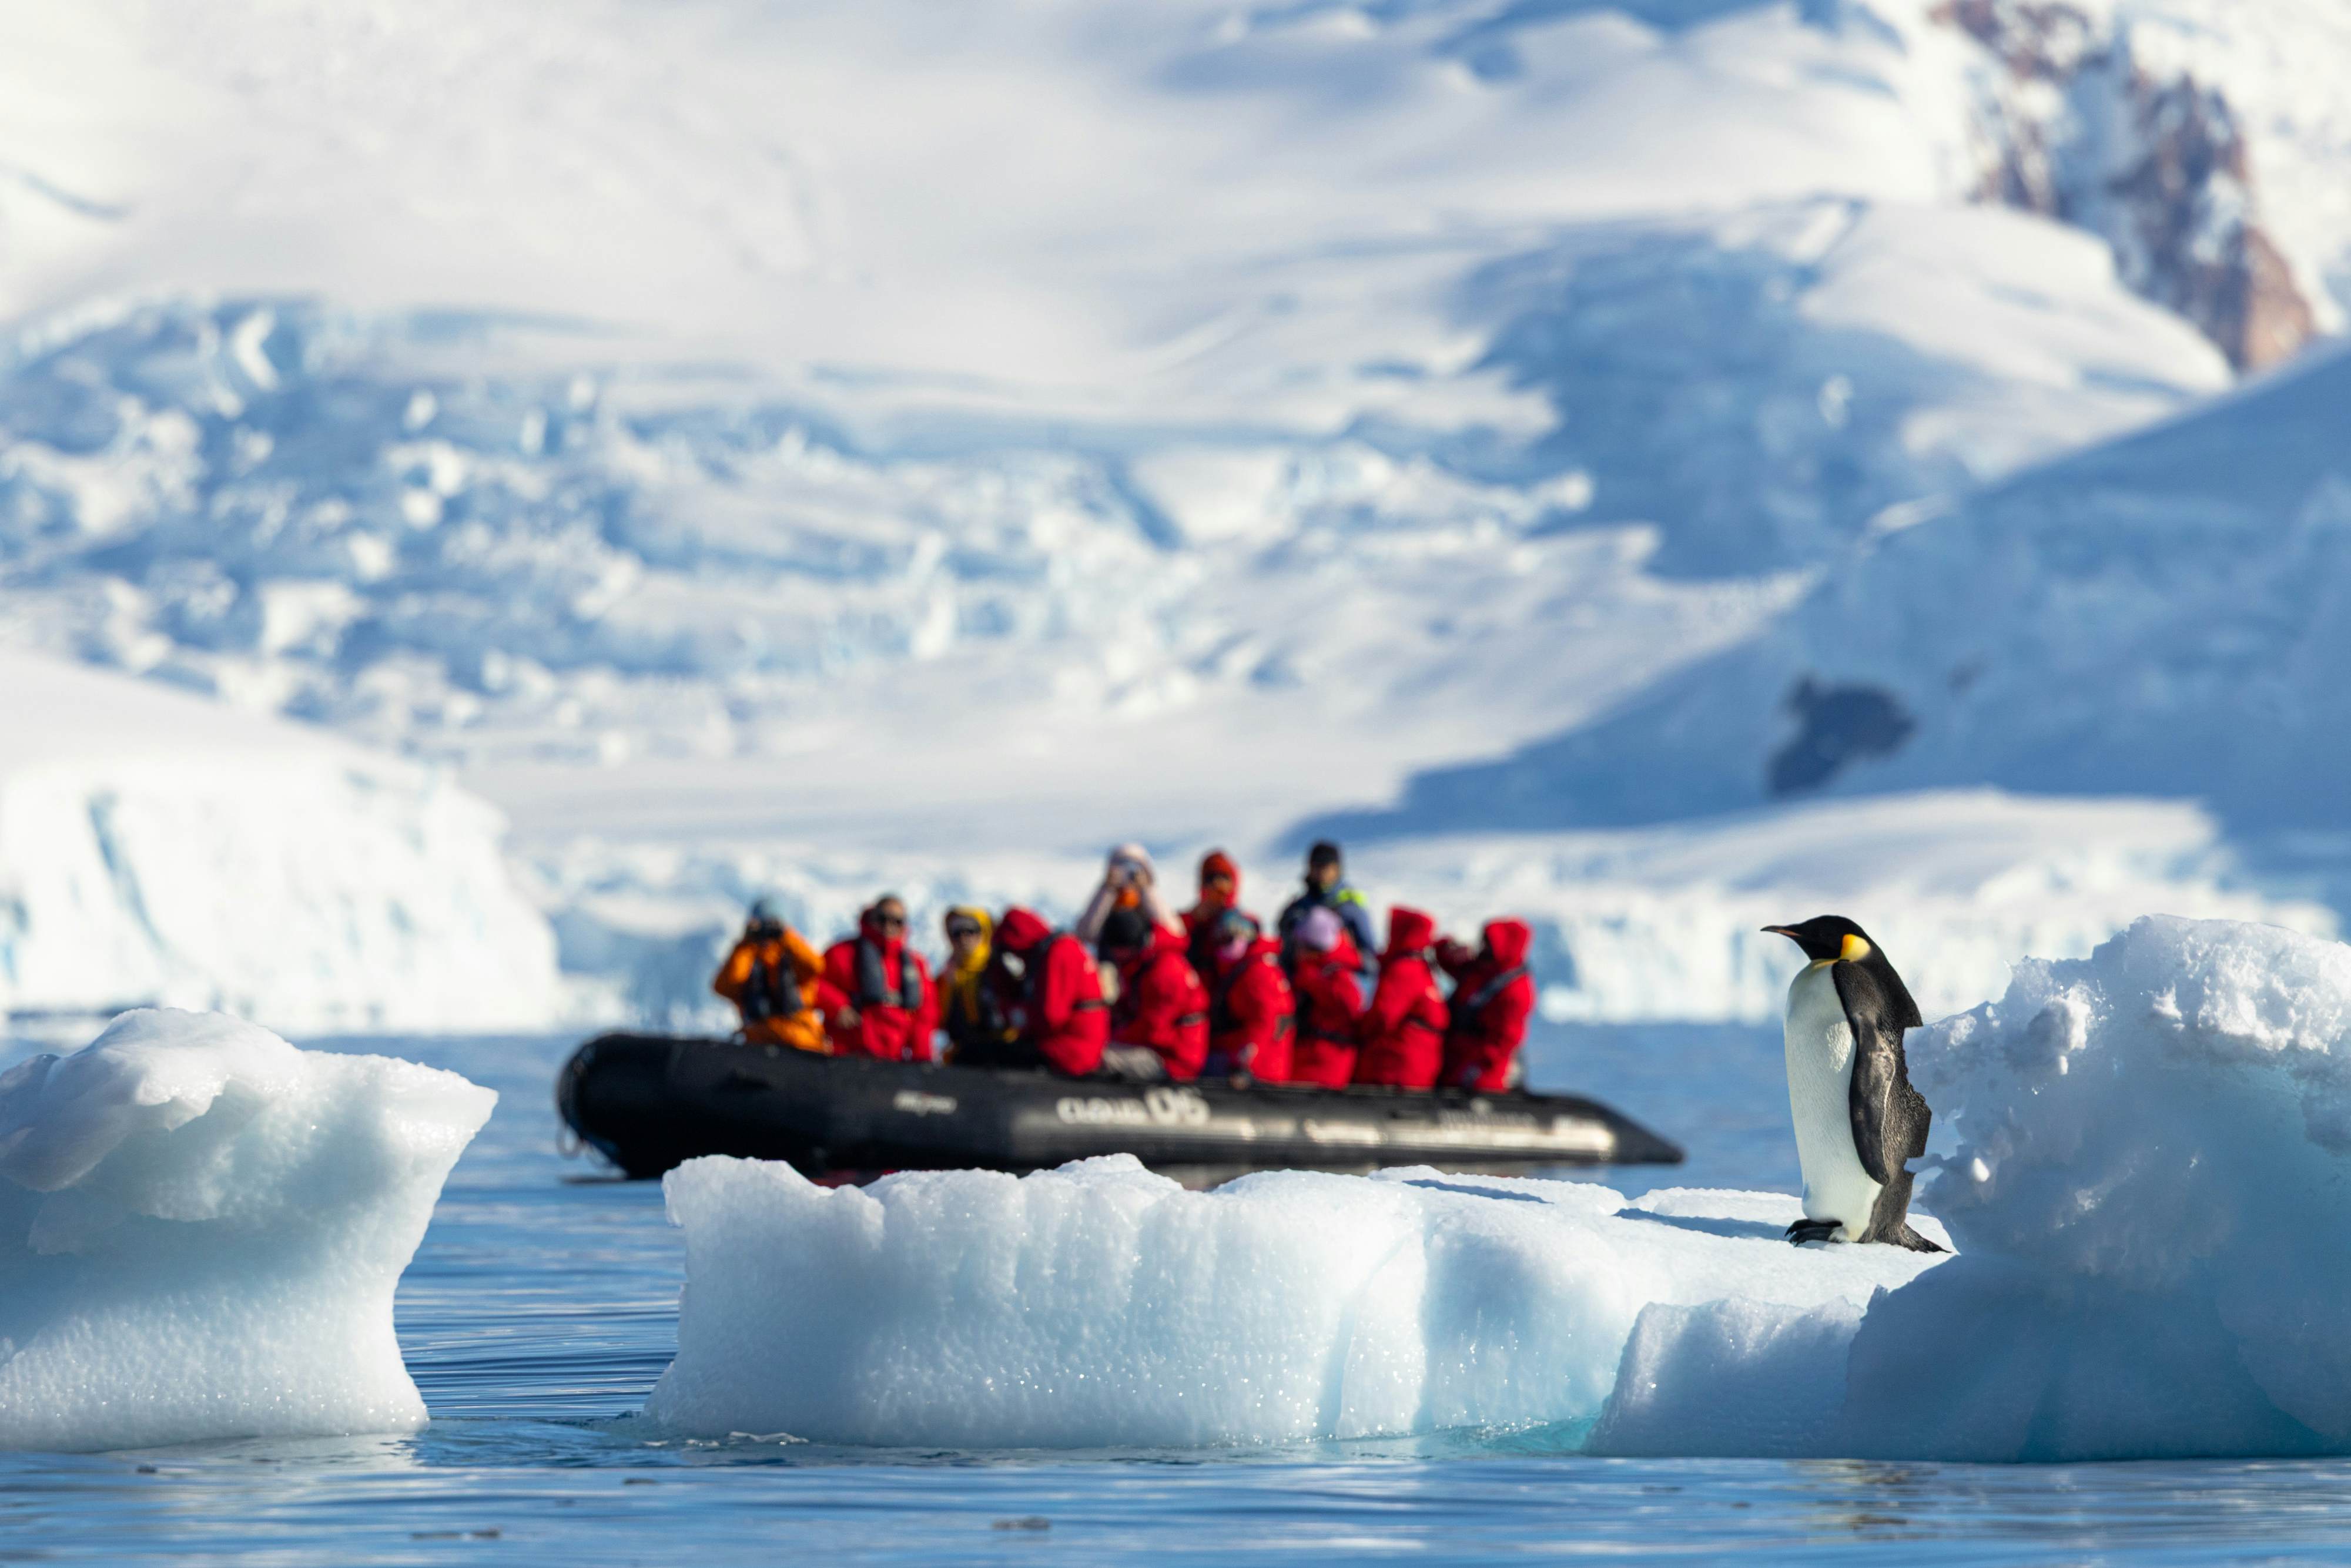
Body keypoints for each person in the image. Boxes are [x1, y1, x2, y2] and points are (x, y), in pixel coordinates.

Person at [991, 906, 1111, 1077]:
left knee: (985, 1054)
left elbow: (1052, 1016)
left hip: (1071, 1051)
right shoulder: (1056, 949)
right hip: (1072, 1046)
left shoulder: (1058, 952)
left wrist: (1013, 1011)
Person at [817, 895, 937, 1062]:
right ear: (870, 918)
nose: (888, 926)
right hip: (846, 1056)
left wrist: (922, 1059)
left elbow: (926, 1015)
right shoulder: (842, 953)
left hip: (894, 1060)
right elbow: (812, 983)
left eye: (897, 921)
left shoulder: (916, 965)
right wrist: (837, 1006)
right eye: (882, 919)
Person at [1097, 907, 1208, 1081]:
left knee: (1097, 1057)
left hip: (1173, 1059)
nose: (1114, 954)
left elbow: (1152, 1028)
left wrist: (1111, 1037)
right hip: (1156, 1048)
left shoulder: (1165, 971)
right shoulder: (1145, 963)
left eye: (1119, 949)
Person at [710, 897, 826, 1053]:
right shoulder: (749, 957)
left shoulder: (793, 957)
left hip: (802, 1040)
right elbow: (727, 984)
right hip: (760, 1042)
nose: (766, 931)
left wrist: (785, 935)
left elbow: (816, 966)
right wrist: (746, 944)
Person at [1353, 906, 1448, 1089]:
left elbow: (1383, 1015)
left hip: (1394, 1069)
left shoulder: (1403, 970)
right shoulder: (1422, 968)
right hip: (1418, 1066)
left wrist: (1358, 1031)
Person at [1437, 919, 1537, 1093]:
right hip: (1455, 1058)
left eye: (1489, 944)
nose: (1483, 948)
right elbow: (1448, 961)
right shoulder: (1479, 971)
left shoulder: (1516, 990)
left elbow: (1506, 1039)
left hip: (1483, 1071)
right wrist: (1447, 947)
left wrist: (1477, 1068)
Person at [1203, 907, 1295, 1083]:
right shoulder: (1244, 969)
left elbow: (1266, 1020)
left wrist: (1247, 1063)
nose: (1224, 942)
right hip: (1243, 1056)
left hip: (1257, 1069)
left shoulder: (1258, 972)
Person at [1288, 906, 1367, 1088]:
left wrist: (1313, 984)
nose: (1296, 951)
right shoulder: (1315, 972)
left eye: (1300, 944)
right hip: (1309, 1056)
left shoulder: (1336, 976)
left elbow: (1352, 1010)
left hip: (1325, 1062)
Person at [1276, 840, 1377, 974]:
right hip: (1302, 982)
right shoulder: (1297, 907)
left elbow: (1369, 952)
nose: (1319, 872)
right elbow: (1283, 946)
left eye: (1324, 867)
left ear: (1337, 869)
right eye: (1315, 866)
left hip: (1339, 981)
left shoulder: (1350, 906)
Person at [935, 906, 1015, 1063]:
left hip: (1005, 1057)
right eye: (956, 933)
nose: (964, 938)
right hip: (962, 1060)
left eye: (971, 930)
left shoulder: (1003, 968)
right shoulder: (946, 978)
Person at [1073, 843, 1183, 944]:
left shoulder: (1148, 903)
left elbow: (1174, 932)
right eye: (1121, 866)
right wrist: (1107, 890)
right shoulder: (1108, 901)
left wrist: (1147, 890)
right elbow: (1086, 933)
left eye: (1136, 868)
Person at [1180, 849, 1245, 980]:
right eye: (1210, 878)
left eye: (1224, 878)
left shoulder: (1245, 925)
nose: (1216, 884)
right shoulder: (1186, 924)